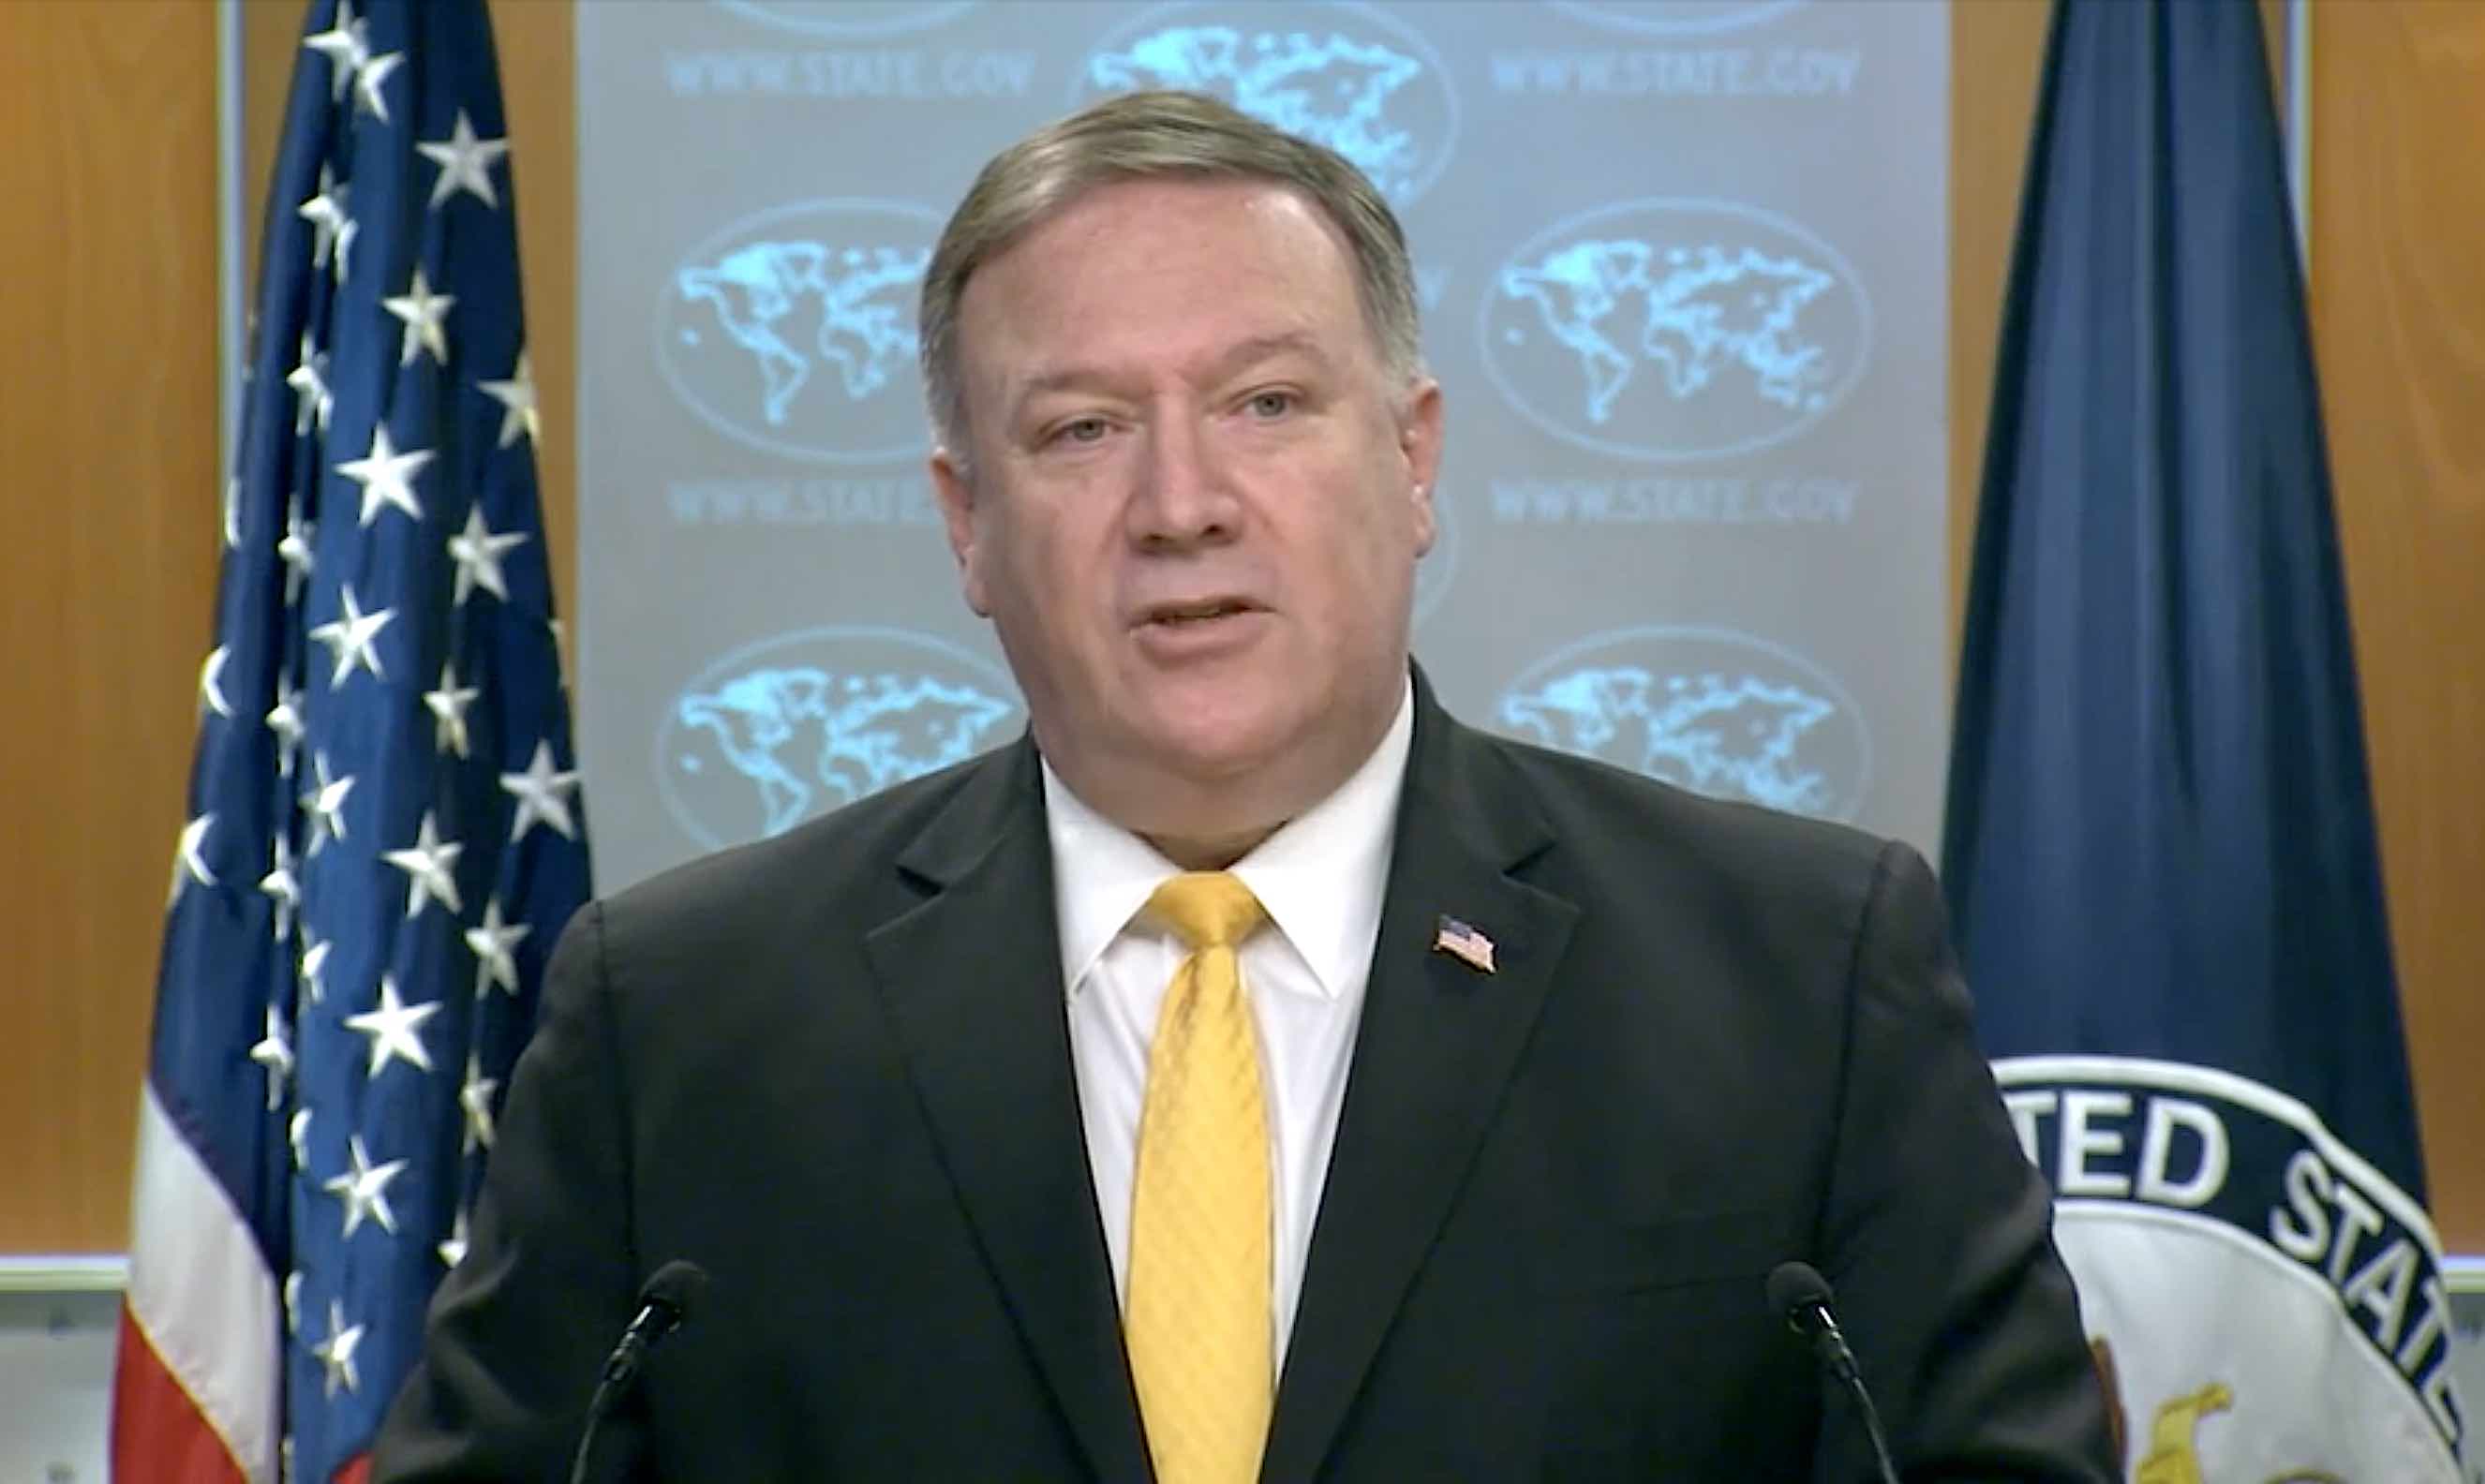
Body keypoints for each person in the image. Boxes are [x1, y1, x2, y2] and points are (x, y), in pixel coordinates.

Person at [374, 90, 2116, 1481]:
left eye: (1268, 403)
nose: (1184, 503)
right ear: (967, 522)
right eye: (1081, 429)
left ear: (1413, 458)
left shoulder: (1797, 979)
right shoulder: (683, 1023)